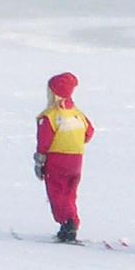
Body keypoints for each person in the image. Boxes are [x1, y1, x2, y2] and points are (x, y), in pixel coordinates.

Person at [36, 71, 95, 244]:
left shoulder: (51, 116)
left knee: (57, 193)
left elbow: (44, 140)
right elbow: (89, 132)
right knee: (69, 193)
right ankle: (69, 222)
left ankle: (68, 222)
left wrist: (40, 159)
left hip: (57, 159)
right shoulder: (78, 114)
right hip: (76, 160)